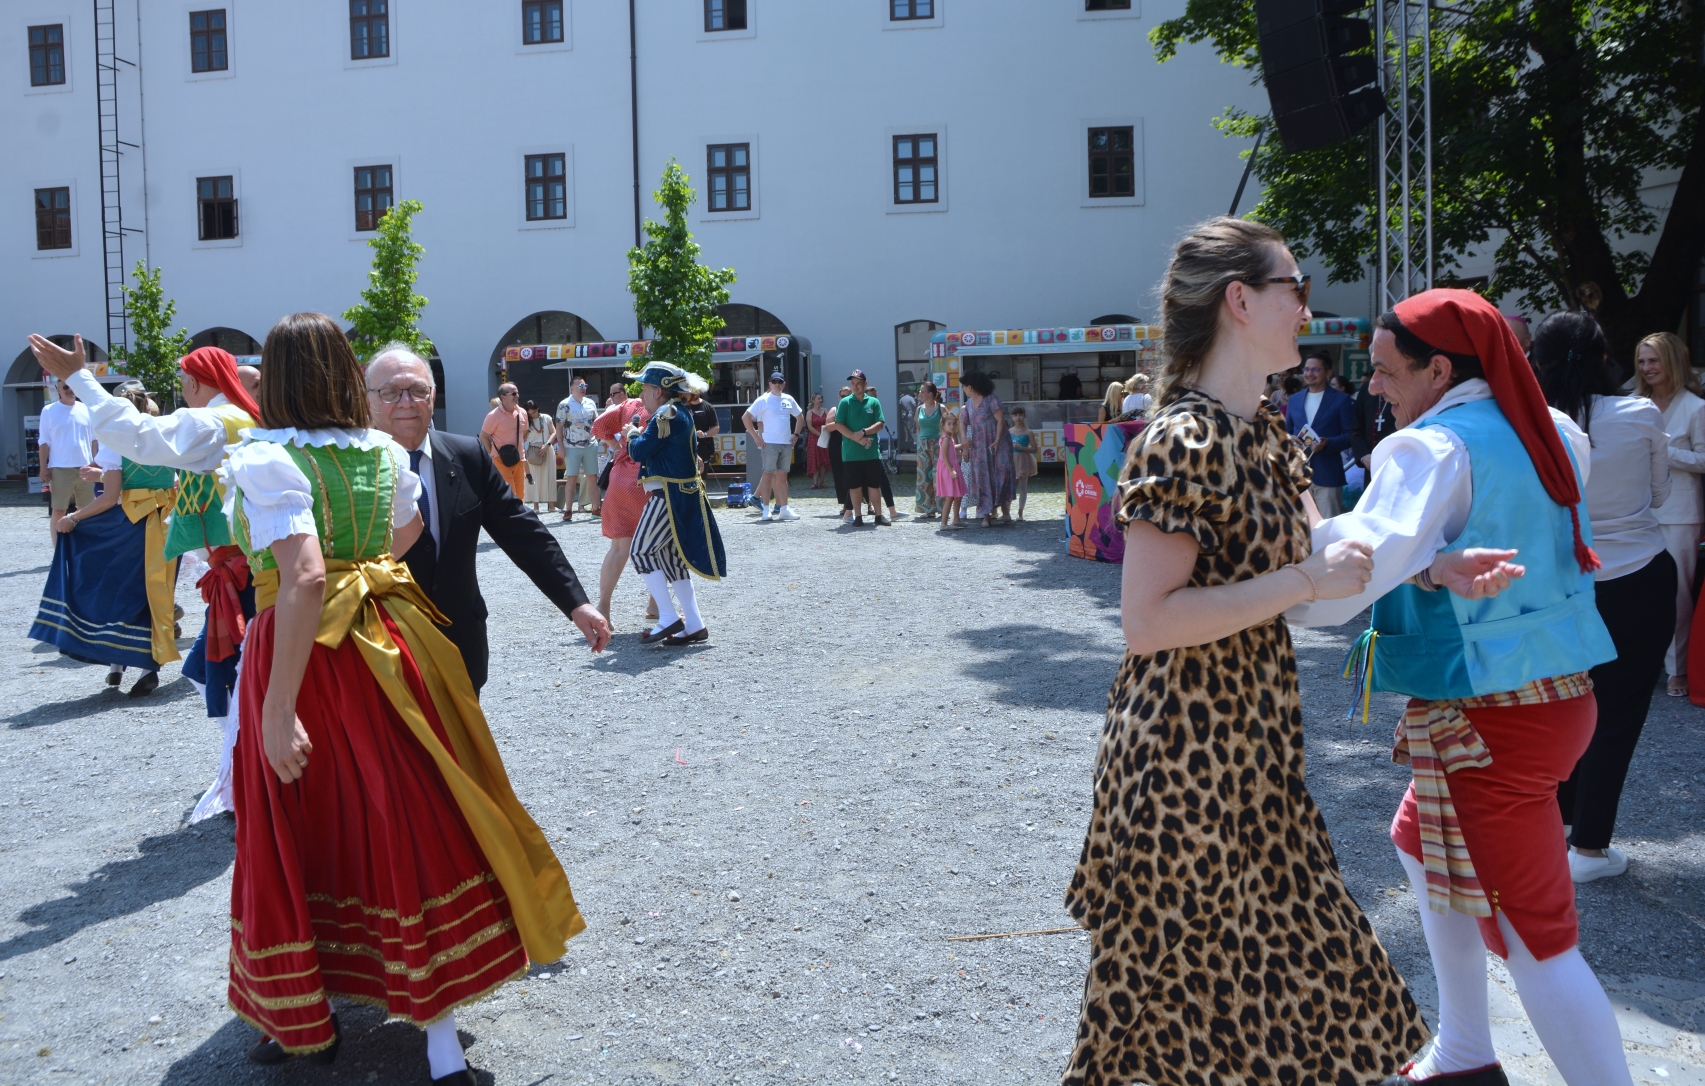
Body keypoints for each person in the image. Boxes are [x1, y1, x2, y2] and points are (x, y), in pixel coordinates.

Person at [1065, 216, 1433, 1086]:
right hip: (1183, 768)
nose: (1305, 308)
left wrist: (1433, 564)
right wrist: (1302, 585)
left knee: (1293, 995)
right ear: (1239, 300)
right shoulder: (1181, 439)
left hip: (1256, 758)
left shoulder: (1261, 429)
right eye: (1291, 288)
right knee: (1168, 1023)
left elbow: (1327, 566)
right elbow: (1148, 620)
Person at [223, 312, 582, 1082]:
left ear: (278, 377)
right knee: (407, 812)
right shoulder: (381, 451)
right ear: (347, 376)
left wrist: (278, 707)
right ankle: (439, 1033)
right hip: (391, 639)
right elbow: (409, 531)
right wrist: (360, 568)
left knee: (297, 826)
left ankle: (301, 1016)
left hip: (307, 657)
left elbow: (306, 576)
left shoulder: (263, 458)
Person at [1294, 289, 1636, 1086]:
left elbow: (1347, 583)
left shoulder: (1431, 448)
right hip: (1551, 697)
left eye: (1383, 370)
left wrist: (1287, 557)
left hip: (1493, 718)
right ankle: (1462, 1052)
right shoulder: (1553, 430)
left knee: (1534, 937)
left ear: (1438, 369)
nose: (1372, 385)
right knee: (1417, 843)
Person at [29, 335, 262, 822]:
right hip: (239, 568)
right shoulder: (241, 420)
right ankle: (246, 771)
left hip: (244, 576)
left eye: (183, 383)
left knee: (234, 680)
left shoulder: (216, 422)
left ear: (199, 384)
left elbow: (139, 436)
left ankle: (250, 778)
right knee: (212, 673)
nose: (181, 391)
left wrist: (79, 378)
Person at [366, 345, 609, 691]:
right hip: (378, 648)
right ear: (368, 400)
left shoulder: (467, 457)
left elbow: (523, 533)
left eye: (418, 390)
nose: (406, 402)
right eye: (390, 392)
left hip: (459, 645)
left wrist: (576, 603)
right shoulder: (345, 469)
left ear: (433, 396)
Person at [1533, 312, 1674, 885]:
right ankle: (1589, 849)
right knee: (1618, 715)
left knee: (1564, 705)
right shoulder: (1641, 414)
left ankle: (1557, 827)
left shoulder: (1534, 423)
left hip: (1565, 581)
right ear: (1604, 357)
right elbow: (1661, 494)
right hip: (1640, 576)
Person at [28, 383, 179, 698]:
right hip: (166, 525)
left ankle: (115, 661)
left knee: (113, 588)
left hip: (131, 526)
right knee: (153, 594)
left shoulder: (116, 442)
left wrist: (73, 518)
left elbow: (110, 498)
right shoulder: (164, 434)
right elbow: (167, 479)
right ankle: (148, 667)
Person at [622, 362, 727, 645]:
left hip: (669, 494)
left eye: (644, 388)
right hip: (678, 492)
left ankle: (668, 617)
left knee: (641, 552)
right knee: (671, 561)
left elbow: (639, 451)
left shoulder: (665, 415)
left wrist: (630, 434)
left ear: (658, 391)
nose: (641, 394)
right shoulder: (676, 412)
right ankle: (694, 623)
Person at [1632, 331, 1705, 697]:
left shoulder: (1695, 407)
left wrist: (1665, 452)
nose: (1646, 368)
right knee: (1636, 592)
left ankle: (1677, 669)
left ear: (1672, 362)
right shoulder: (1633, 405)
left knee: (1677, 595)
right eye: (1642, 361)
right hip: (1635, 511)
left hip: (1679, 513)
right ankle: (1642, 665)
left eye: (1653, 360)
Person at [591, 384, 655, 626]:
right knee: (658, 545)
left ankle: (603, 607)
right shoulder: (662, 409)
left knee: (618, 548)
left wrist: (617, 448)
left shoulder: (627, 406)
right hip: (647, 478)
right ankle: (655, 605)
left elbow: (599, 426)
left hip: (619, 477)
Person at [1284, 349, 1357, 516]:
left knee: (1328, 527)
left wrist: (1328, 443)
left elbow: (1350, 435)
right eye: (1307, 369)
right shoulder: (1294, 400)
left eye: (1315, 369)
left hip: (1327, 473)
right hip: (1298, 474)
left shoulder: (1341, 400)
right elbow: (1285, 432)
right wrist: (1290, 439)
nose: (1309, 373)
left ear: (1328, 373)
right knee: (1302, 528)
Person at [37, 376, 95, 537]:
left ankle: (83, 547)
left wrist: (96, 463)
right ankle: (57, 551)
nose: (70, 390)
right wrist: (43, 468)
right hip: (60, 468)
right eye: (65, 387)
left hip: (86, 467)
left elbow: (94, 439)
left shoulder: (86, 409)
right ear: (58, 390)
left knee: (86, 510)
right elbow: (44, 442)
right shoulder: (49, 411)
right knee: (59, 509)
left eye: (73, 386)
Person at [742, 371, 803, 522]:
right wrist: (756, 437)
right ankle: (766, 509)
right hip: (769, 443)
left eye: (779, 382)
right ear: (769, 384)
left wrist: (795, 435)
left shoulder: (788, 399)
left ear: (784, 384)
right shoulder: (763, 400)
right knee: (767, 475)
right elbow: (746, 417)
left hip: (786, 443)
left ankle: (784, 508)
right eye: (774, 382)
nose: (777, 384)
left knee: (782, 476)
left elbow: (800, 417)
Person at [832, 371, 888, 526]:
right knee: (854, 486)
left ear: (865, 383)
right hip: (851, 453)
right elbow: (838, 424)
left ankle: (879, 515)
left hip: (871, 453)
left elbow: (880, 423)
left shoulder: (873, 402)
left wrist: (863, 432)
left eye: (858, 383)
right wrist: (855, 437)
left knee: (874, 485)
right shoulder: (845, 402)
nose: (855, 386)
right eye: (853, 383)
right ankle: (858, 516)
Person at [960, 371, 1015, 527]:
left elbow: (1000, 420)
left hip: (999, 445)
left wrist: (997, 440)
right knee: (983, 479)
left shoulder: (992, 399)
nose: (963, 389)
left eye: (964, 386)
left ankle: (1005, 512)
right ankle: (985, 516)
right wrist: (963, 438)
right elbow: (962, 422)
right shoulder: (969, 404)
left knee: (1001, 476)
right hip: (979, 448)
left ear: (970, 387)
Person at [556, 377, 602, 522]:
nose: (583, 388)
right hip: (571, 445)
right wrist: (561, 446)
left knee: (592, 477)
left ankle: (596, 508)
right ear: (572, 388)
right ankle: (568, 510)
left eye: (585, 385)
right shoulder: (564, 404)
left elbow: (596, 422)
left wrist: (598, 439)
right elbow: (559, 427)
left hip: (590, 444)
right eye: (580, 385)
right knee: (571, 477)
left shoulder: (590, 403)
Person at [480, 383, 528, 499]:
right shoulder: (493, 416)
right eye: (514, 393)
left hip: (519, 458)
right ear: (503, 397)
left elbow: (525, 433)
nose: (517, 396)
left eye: (517, 393)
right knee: (509, 493)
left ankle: (518, 516)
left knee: (520, 494)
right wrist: (494, 453)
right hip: (500, 459)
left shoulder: (523, 413)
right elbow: (483, 436)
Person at [1353, 371, 1399, 469]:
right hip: (1370, 466)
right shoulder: (1366, 388)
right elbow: (1356, 428)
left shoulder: (1403, 386)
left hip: (1397, 463)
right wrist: (1363, 456)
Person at [913, 382, 943, 519]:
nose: (920, 394)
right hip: (923, 445)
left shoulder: (941, 408)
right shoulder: (919, 409)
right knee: (924, 477)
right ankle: (928, 509)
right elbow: (918, 427)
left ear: (930, 394)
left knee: (939, 476)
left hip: (938, 444)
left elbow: (948, 426)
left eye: (922, 391)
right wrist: (922, 442)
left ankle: (943, 507)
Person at [522, 399, 557, 512]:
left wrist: (547, 444)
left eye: (534, 412)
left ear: (538, 408)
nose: (532, 415)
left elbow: (554, 432)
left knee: (550, 476)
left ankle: (551, 506)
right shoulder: (526, 421)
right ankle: (535, 506)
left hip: (547, 448)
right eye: (530, 414)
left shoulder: (546, 418)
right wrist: (524, 449)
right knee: (534, 476)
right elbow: (523, 437)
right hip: (532, 450)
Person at [935, 405, 967, 529]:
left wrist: (963, 445)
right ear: (943, 425)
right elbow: (944, 456)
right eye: (949, 424)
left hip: (952, 467)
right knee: (950, 497)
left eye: (954, 424)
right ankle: (944, 523)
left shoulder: (949, 438)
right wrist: (951, 470)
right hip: (949, 468)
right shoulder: (946, 439)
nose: (952, 426)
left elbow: (952, 449)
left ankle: (956, 519)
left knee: (958, 495)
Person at [826, 385, 852, 517]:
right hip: (837, 445)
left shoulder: (854, 408)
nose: (844, 398)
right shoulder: (834, 410)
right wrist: (840, 423)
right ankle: (845, 504)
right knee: (839, 475)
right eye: (842, 396)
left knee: (855, 474)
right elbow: (827, 427)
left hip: (852, 443)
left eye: (847, 396)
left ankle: (867, 503)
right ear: (838, 397)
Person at [1009, 406, 1037, 520]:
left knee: (1023, 487)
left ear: (1025, 416)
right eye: (1015, 415)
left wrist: (1022, 448)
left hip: (1024, 459)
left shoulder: (1028, 432)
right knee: (1010, 486)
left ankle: (1020, 511)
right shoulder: (1009, 431)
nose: (1018, 417)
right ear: (1012, 417)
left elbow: (1035, 449)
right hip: (1011, 459)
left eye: (1020, 415)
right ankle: (1007, 511)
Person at [686, 389, 720, 474]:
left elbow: (716, 427)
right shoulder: (683, 407)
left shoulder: (708, 407)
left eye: (695, 391)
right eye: (690, 391)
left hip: (703, 447)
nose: (692, 393)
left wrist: (705, 434)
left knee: (702, 476)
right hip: (686, 447)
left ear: (700, 391)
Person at [804, 393, 831, 489]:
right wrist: (820, 435)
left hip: (824, 436)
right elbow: (810, 426)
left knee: (823, 459)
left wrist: (825, 434)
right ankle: (815, 482)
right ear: (813, 400)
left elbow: (829, 422)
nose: (820, 400)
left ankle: (822, 481)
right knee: (815, 459)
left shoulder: (825, 410)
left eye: (821, 398)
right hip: (814, 438)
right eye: (818, 398)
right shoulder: (810, 412)